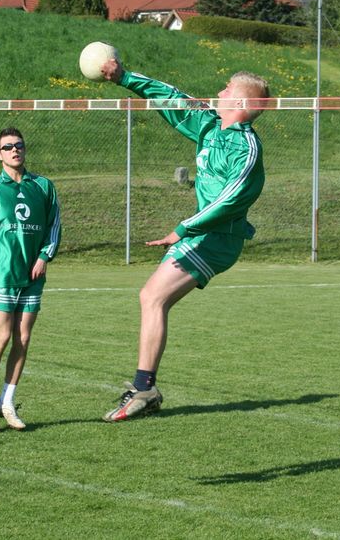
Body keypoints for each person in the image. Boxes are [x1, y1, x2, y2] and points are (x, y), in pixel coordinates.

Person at [101, 58, 269, 422]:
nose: (219, 92)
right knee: (151, 298)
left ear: (239, 105)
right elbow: (175, 100)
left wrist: (183, 227)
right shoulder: (211, 127)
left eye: (227, 89)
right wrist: (125, 77)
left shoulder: (246, 149)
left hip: (216, 239)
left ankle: (144, 389)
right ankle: (145, 387)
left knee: (153, 297)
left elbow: (233, 199)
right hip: (202, 235)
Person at [0, 128, 61, 433]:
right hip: (1, 273)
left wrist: (44, 256)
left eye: (19, 145)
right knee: (1, 336)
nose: (15, 150)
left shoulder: (43, 186)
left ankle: (7, 402)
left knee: (24, 338)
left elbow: (54, 225)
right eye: (8, 147)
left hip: (33, 275)